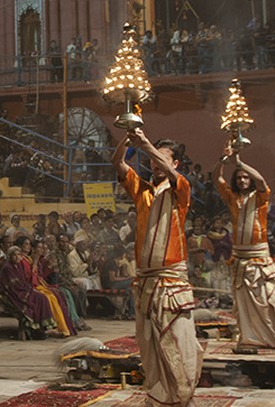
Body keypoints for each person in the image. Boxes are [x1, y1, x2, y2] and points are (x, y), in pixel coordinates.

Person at [113, 128, 201, 406]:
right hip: (147, 281)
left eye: (162, 158)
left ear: (175, 164)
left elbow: (165, 168)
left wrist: (146, 144)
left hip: (172, 282)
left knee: (178, 340)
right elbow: (117, 163)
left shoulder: (180, 188)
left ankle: (181, 395)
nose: (155, 162)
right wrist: (127, 140)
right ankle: (161, 395)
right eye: (152, 158)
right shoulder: (143, 190)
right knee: (149, 345)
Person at [213, 145, 275, 350]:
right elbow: (215, 179)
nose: (242, 180)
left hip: (259, 257)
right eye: (239, 178)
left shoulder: (260, 197)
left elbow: (262, 181)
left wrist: (240, 163)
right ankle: (250, 337)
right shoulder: (232, 197)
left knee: (268, 300)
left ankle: (273, 337)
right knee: (244, 304)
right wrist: (222, 161)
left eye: (246, 177)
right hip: (239, 258)